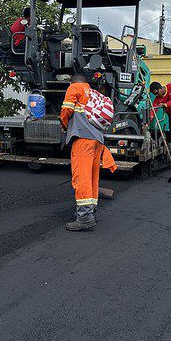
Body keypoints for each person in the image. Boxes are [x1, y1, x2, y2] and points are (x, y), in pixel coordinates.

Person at [60, 73, 117, 232]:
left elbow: (66, 110)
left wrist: (64, 125)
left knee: (81, 176)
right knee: (92, 176)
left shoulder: (74, 87)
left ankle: (84, 218)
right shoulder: (94, 94)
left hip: (83, 139)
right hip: (97, 140)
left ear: (73, 82)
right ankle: (90, 210)